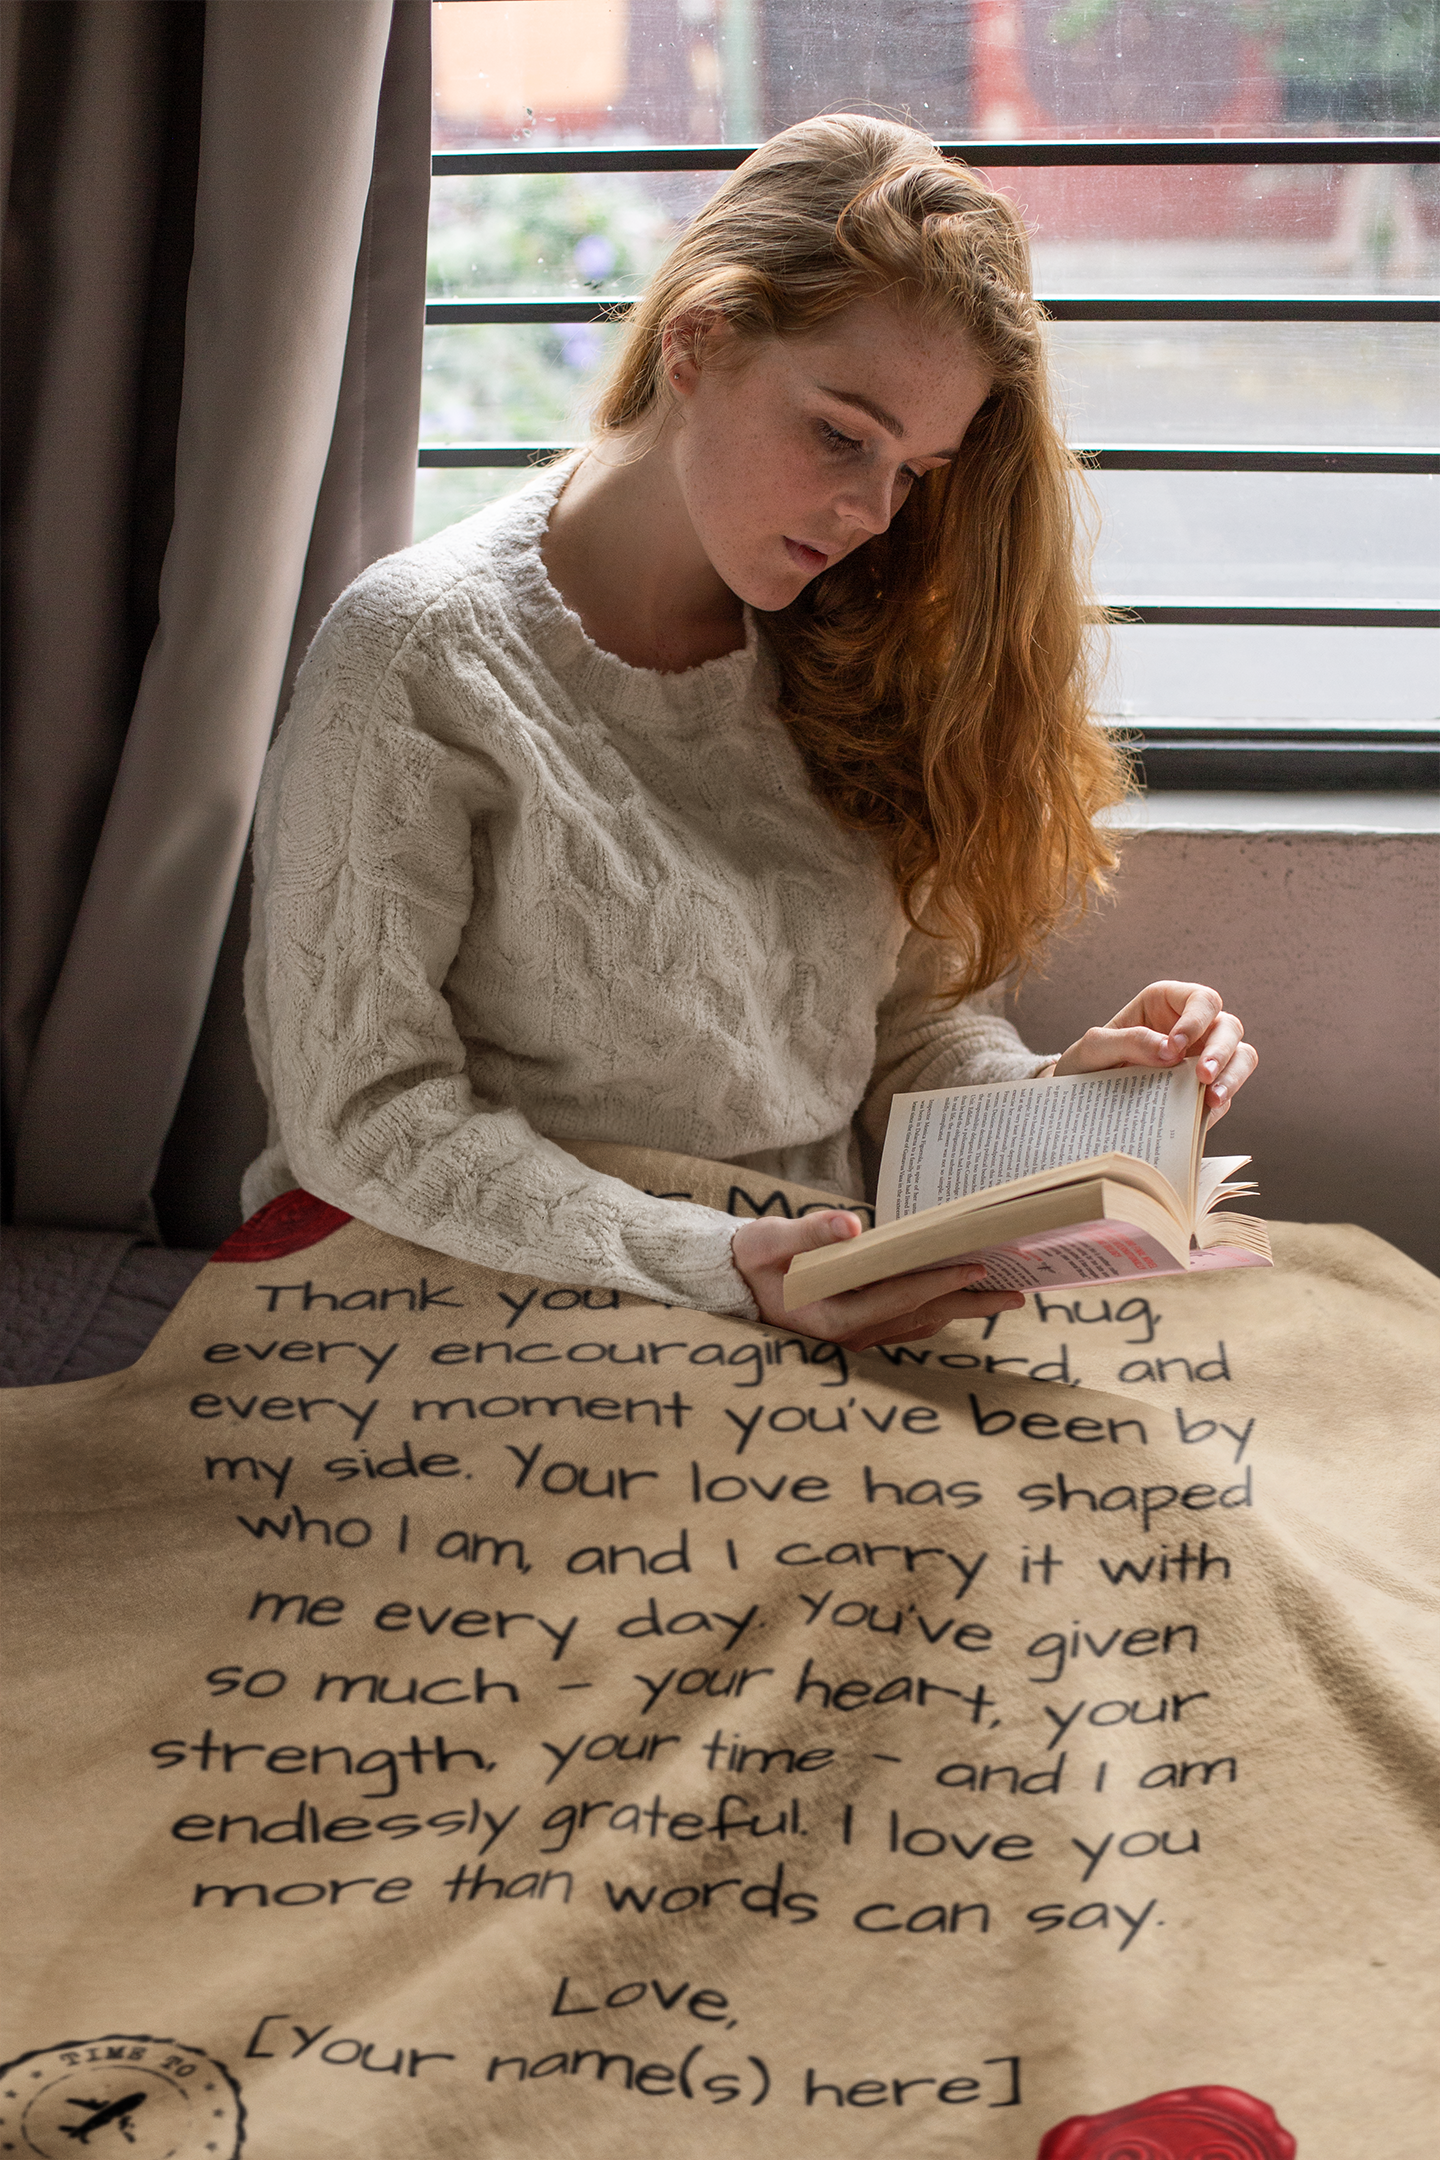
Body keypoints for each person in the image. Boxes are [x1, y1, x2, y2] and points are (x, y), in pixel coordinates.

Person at [242, 114, 1256, 1357]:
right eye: (841, 434)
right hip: (486, 1295)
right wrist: (716, 1263)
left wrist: (1057, 1104)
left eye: (915, 472)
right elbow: (366, 1115)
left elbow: (903, 1041)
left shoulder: (865, 645)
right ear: (696, 341)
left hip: (810, 1290)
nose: (870, 512)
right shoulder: (415, 659)